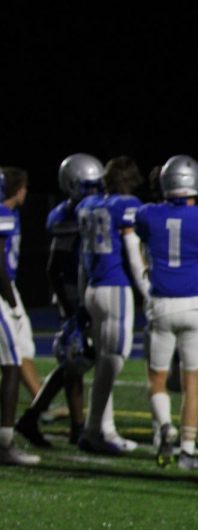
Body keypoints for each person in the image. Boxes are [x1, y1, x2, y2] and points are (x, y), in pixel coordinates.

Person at [136, 155, 198, 469]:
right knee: (192, 381)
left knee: (157, 379)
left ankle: (164, 424)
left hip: (161, 304)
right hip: (195, 304)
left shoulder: (147, 214)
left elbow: (142, 243)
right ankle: (187, 447)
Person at [17, 155, 105, 449]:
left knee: (74, 362)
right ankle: (78, 426)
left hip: (86, 288)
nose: (93, 193)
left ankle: (50, 420)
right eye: (87, 186)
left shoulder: (93, 209)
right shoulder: (63, 216)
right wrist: (69, 308)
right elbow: (54, 267)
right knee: (76, 359)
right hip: (73, 293)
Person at [76, 156, 144, 454]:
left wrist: (82, 296)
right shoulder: (125, 205)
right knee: (113, 358)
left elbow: (82, 258)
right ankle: (93, 431)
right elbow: (131, 251)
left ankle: (106, 429)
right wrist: (148, 292)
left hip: (92, 288)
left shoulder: (87, 205)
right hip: (114, 287)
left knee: (105, 361)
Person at [0, 168, 39, 466]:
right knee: (11, 363)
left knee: (16, 357)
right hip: (2, 293)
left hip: (7, 289)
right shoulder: (4, 213)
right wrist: (12, 302)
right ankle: (4, 443)